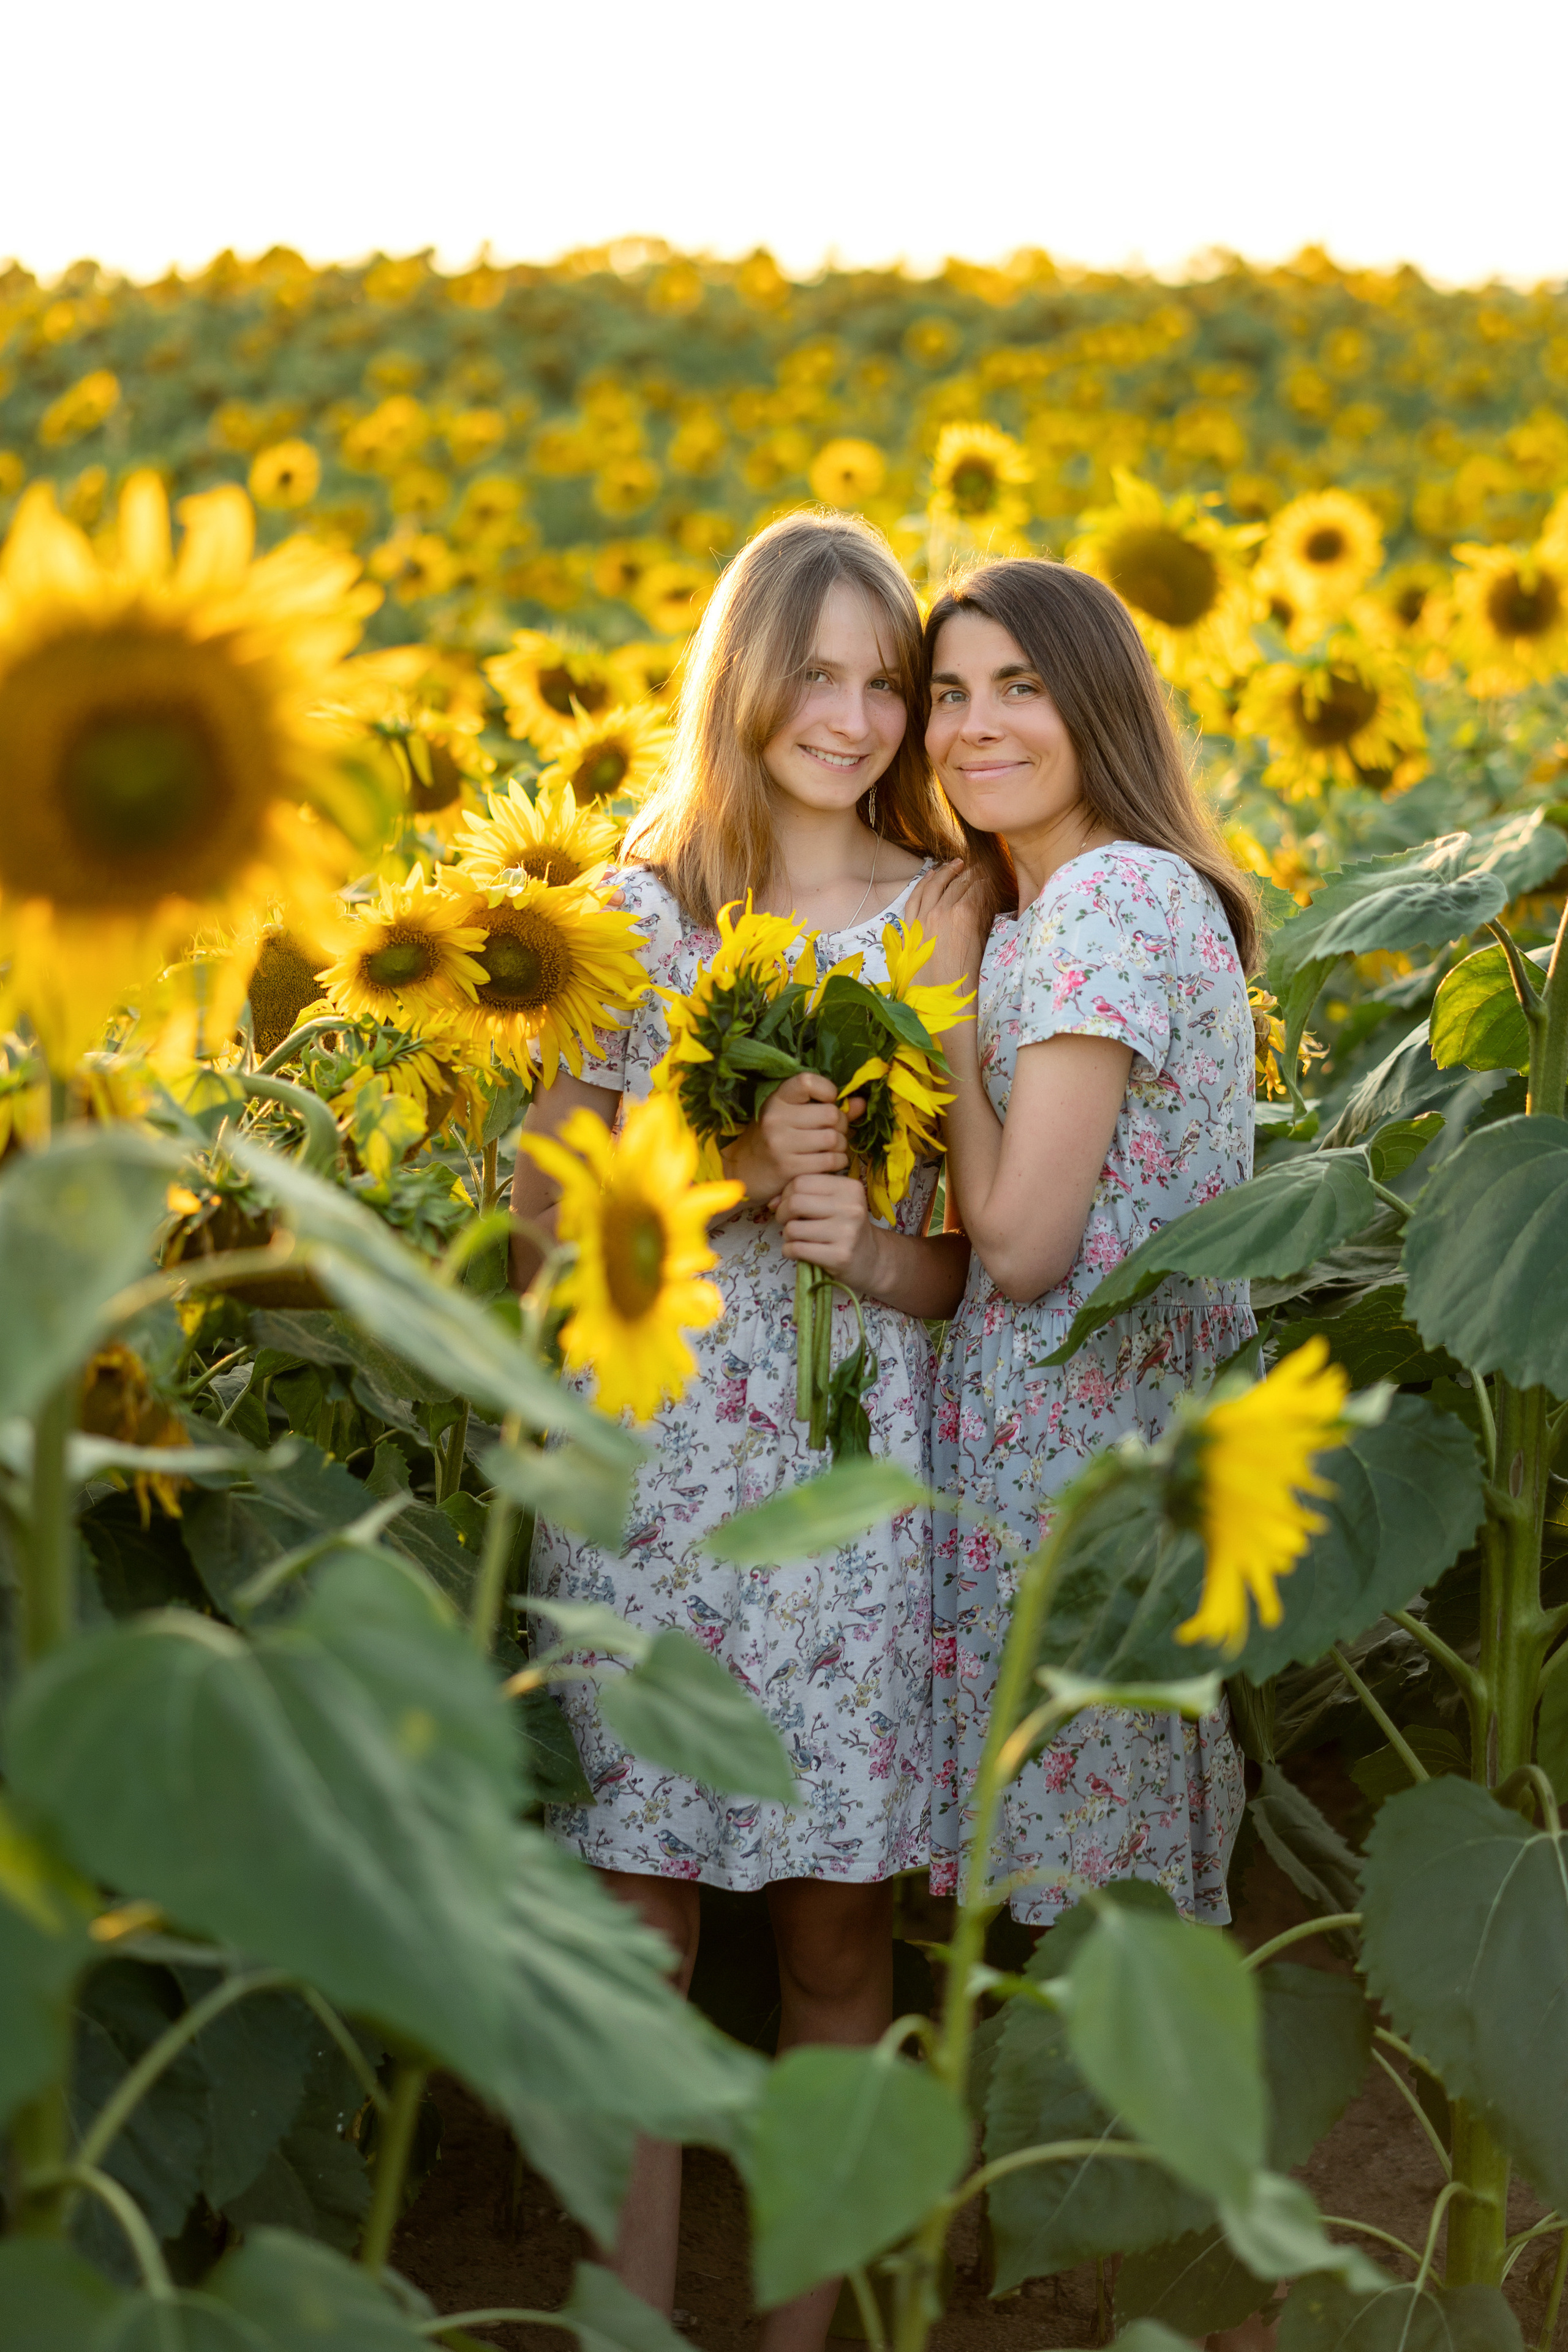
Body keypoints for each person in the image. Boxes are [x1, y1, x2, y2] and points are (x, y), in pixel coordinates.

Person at [510, 511, 971, 2349]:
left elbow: (954, 1270)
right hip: (655, 1470)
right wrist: (714, 1177)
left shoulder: (946, 913)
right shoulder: (632, 912)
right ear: (744, 675)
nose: (854, 720)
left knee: (839, 1936)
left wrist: (854, 1225)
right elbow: (547, 1223)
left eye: (889, 682)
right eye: (823, 673)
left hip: (854, 1475)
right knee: (640, 1938)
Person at [907, 556, 1257, 1939]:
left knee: (1079, 1929)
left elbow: (1021, 1244)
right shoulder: (1064, 907)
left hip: (1077, 1471)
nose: (970, 726)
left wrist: (935, 1019)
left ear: (1096, 702)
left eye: (1018, 687)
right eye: (946, 694)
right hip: (1094, 1454)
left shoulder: (1106, 903)